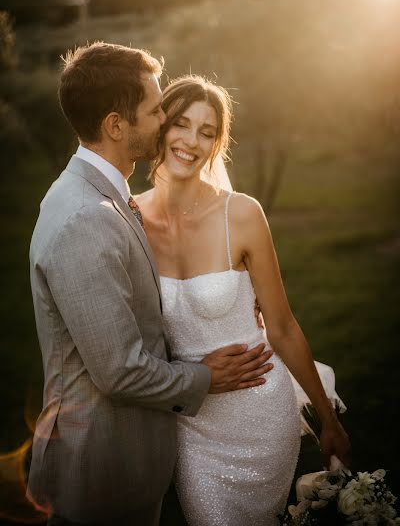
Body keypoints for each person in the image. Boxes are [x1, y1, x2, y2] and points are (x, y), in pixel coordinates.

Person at [28, 43, 274, 526]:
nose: (165, 118)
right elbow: (119, 371)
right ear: (116, 126)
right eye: (156, 109)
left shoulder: (106, 199)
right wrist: (207, 377)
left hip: (120, 464)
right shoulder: (86, 219)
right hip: (101, 472)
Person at [135, 75, 351, 526]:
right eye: (181, 124)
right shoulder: (128, 217)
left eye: (207, 132)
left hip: (260, 412)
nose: (192, 141)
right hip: (192, 423)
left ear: (217, 145)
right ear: (159, 126)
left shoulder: (243, 214)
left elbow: (283, 327)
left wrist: (328, 419)